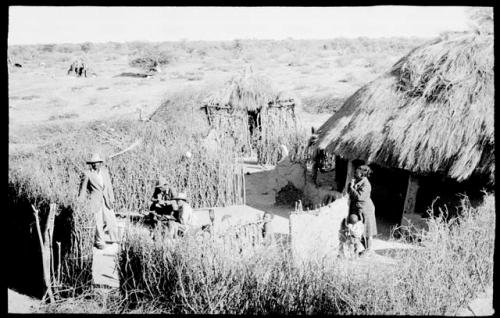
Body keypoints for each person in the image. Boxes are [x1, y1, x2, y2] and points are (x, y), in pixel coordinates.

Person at [78, 153, 118, 250]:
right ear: (91, 164)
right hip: (95, 200)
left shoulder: (104, 172)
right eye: (93, 163)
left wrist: (112, 198)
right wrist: (80, 201)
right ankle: (99, 242)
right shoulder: (87, 174)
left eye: (97, 162)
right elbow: (83, 189)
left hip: (106, 200)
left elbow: (109, 186)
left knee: (111, 219)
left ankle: (115, 240)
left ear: (100, 163)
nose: (95, 164)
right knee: (98, 222)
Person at [347, 164, 377, 254]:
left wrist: (352, 188)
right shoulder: (358, 181)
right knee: (357, 229)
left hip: (366, 209)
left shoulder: (366, 184)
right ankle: (365, 249)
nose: (355, 174)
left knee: (368, 230)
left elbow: (360, 197)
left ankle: (369, 250)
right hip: (359, 208)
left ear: (362, 174)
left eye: (357, 173)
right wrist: (351, 186)